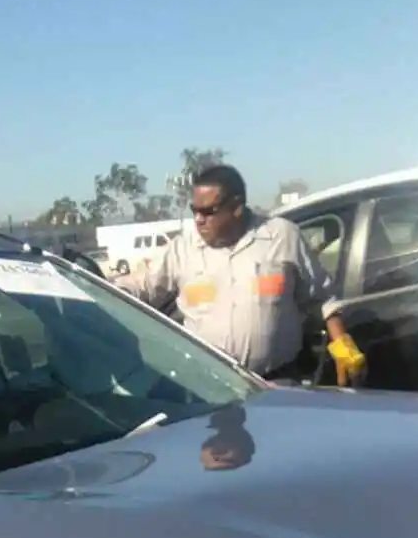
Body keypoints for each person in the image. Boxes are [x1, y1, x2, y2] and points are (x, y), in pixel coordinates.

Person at [113, 164, 367, 387]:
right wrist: (92, 290)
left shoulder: (281, 237)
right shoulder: (182, 249)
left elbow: (322, 298)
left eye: (208, 211)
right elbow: (143, 287)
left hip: (276, 384)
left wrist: (342, 344)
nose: (198, 220)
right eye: (194, 210)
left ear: (236, 207)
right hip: (209, 390)